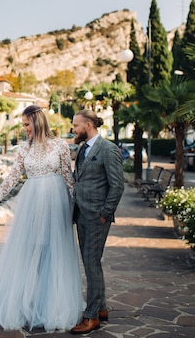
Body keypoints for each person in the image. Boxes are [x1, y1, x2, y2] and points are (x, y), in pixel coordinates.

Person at [0, 104, 83, 332]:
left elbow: (69, 179)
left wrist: (76, 209)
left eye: (27, 124)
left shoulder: (59, 146)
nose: (25, 129)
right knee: (31, 251)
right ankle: (28, 303)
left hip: (56, 205)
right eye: (24, 125)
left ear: (37, 122)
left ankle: (49, 305)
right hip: (31, 206)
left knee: (53, 252)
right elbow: (10, 180)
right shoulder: (23, 149)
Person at [70, 109, 124, 334]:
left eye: (76, 125)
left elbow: (117, 185)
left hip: (96, 216)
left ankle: (91, 317)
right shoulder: (83, 149)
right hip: (81, 214)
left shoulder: (108, 149)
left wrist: (105, 212)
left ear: (88, 125)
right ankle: (101, 308)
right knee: (92, 262)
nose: (73, 129)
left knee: (91, 263)